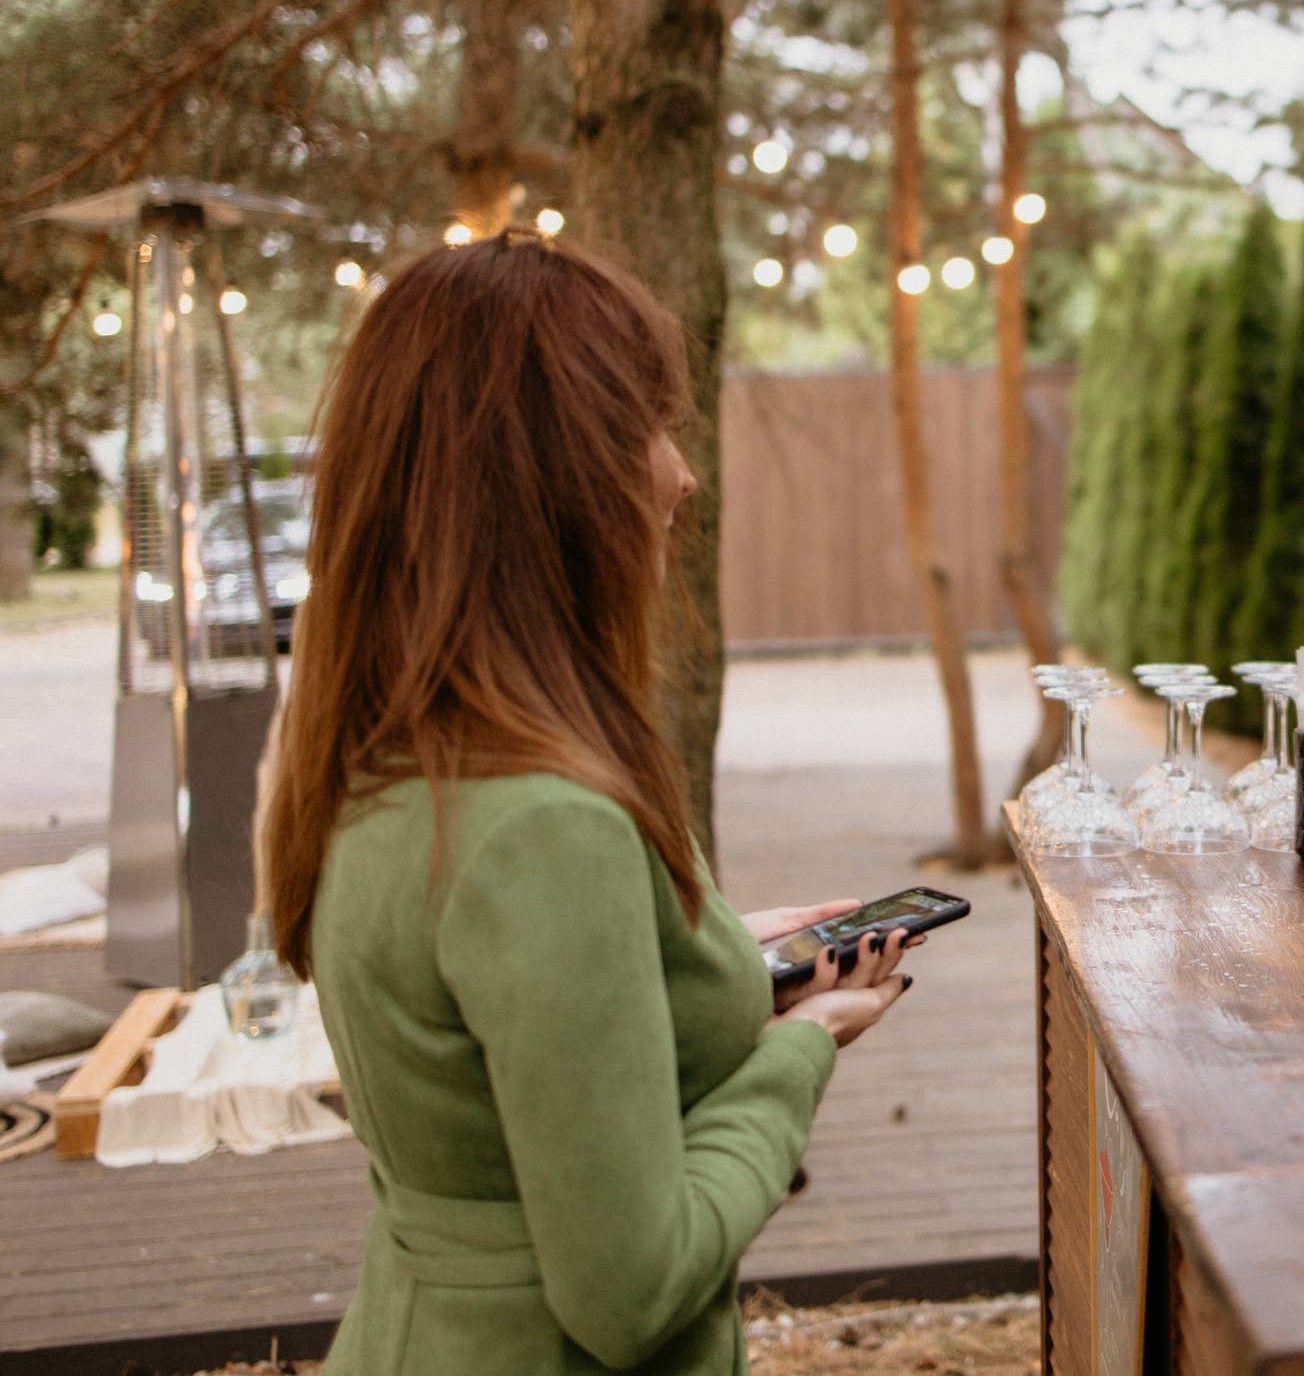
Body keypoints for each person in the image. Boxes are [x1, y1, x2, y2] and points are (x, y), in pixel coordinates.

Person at [260, 233, 910, 1375]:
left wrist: (702, 954)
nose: (682, 476)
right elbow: (631, 1289)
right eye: (648, 427)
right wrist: (799, 1048)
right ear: (554, 477)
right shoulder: (545, 826)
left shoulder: (381, 756)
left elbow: (496, 1053)